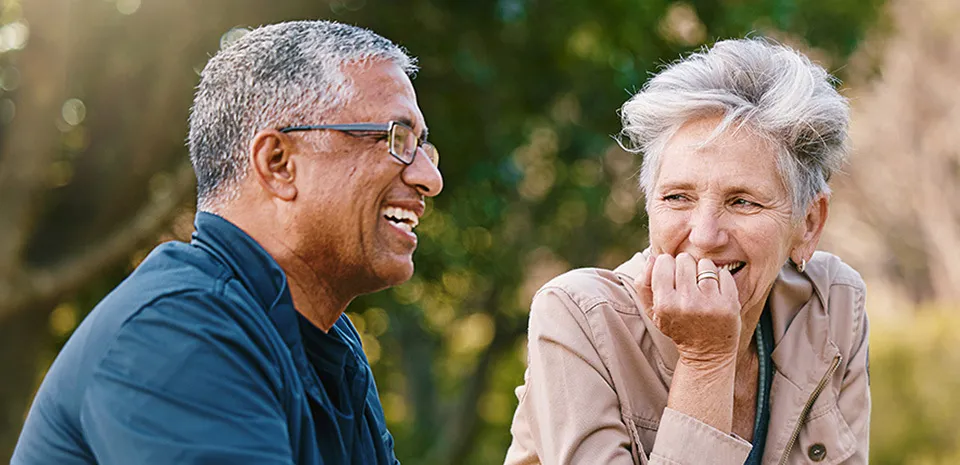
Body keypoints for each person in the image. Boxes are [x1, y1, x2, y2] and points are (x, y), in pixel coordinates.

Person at [13, 20, 442, 464]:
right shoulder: (177, 331)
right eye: (395, 139)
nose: (430, 178)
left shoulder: (332, 349)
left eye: (423, 148)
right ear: (278, 164)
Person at [504, 38, 869, 465]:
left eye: (743, 202)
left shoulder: (833, 304)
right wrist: (706, 360)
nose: (704, 236)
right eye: (678, 197)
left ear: (808, 224)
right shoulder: (578, 317)